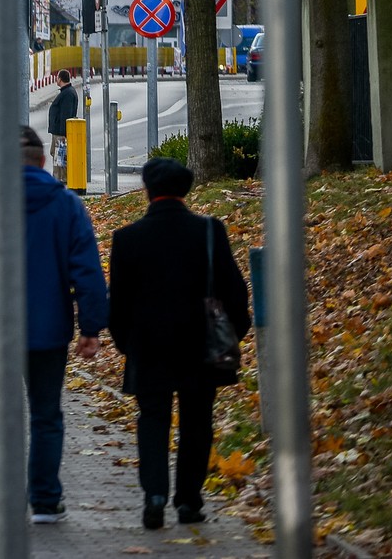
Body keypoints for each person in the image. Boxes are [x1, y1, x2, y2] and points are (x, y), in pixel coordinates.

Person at [108, 157, 251, 530]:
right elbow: (235, 292)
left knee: (152, 420)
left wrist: (128, 344)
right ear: (186, 190)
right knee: (197, 422)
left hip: (148, 347)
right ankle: (189, 501)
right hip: (200, 347)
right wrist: (234, 333)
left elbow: (118, 304)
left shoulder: (127, 238)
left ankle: (154, 494)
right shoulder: (209, 232)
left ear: (147, 191)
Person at [20, 125, 108, 525]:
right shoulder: (66, 205)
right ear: (42, 161)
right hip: (47, 329)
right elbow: (87, 270)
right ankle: (44, 499)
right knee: (45, 414)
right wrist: (90, 328)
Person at [46, 69, 78, 179]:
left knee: (59, 159)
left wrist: (64, 133)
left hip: (61, 134)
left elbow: (66, 114)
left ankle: (59, 180)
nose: (56, 79)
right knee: (57, 156)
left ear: (60, 79)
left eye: (57, 77)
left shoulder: (67, 94)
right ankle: (59, 179)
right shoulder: (67, 92)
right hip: (59, 132)